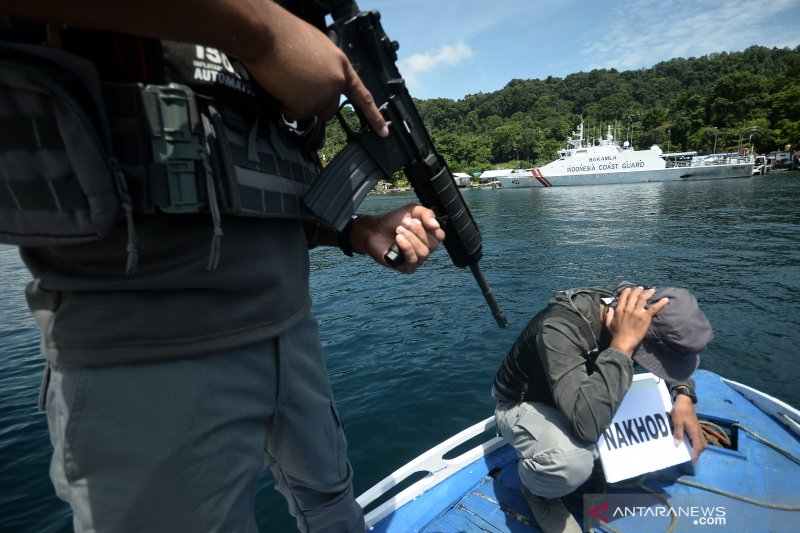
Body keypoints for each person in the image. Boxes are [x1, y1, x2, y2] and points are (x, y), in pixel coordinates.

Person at [0, 1, 445, 532]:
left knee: (331, 502)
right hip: (145, 340)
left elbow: (259, 180)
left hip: (289, 324)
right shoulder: (256, 22)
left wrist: (353, 229)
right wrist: (262, 32)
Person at [492, 283, 714, 533]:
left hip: (579, 393)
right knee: (573, 462)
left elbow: (670, 345)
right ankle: (537, 490)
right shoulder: (560, 326)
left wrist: (683, 395)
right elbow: (585, 426)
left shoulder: (633, 303)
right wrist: (622, 346)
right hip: (525, 403)